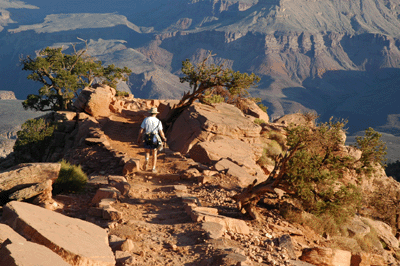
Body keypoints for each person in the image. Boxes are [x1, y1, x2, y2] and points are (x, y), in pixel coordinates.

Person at [137, 107, 167, 173]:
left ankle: (147, 159)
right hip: (155, 137)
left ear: (150, 113)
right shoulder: (158, 121)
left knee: (147, 151)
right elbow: (161, 132)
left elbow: (141, 130)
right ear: (156, 114)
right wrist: (164, 138)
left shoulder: (146, 120)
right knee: (154, 153)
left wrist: (138, 138)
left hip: (147, 136)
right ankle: (153, 168)